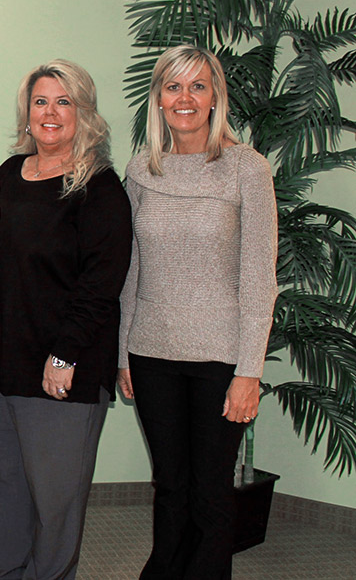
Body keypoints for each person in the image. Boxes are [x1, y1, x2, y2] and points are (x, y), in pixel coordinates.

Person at [0, 60, 132, 580]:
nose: (50, 112)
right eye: (40, 102)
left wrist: (66, 354)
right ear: (27, 112)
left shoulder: (100, 189)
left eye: (64, 102)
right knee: (1, 498)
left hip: (61, 373)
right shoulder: (8, 175)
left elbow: (101, 284)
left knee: (56, 509)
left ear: (84, 113)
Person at [117, 44, 278, 580]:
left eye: (197, 86)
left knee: (211, 493)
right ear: (158, 100)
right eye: (173, 86)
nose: (184, 98)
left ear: (215, 98)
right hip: (151, 352)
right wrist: (123, 354)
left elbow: (259, 277)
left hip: (220, 358)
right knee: (170, 486)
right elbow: (130, 271)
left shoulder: (246, 169)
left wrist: (249, 370)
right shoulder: (141, 170)